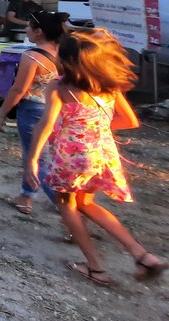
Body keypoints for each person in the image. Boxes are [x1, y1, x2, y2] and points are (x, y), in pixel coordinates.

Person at [26, 29, 166, 286]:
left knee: (67, 205)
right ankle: (142, 255)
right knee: (85, 204)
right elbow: (128, 120)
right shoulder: (107, 84)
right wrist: (93, 131)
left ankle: (96, 268)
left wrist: (32, 160)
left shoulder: (59, 86)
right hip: (101, 154)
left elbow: (45, 125)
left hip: (72, 157)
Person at [0, 10, 63, 214]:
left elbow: (18, 89)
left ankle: (65, 205)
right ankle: (25, 197)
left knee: (37, 159)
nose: (26, 29)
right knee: (41, 156)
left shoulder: (32, 57)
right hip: (56, 109)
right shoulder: (64, 52)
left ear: (39, 31)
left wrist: (1, 113)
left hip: (33, 109)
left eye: (29, 26)